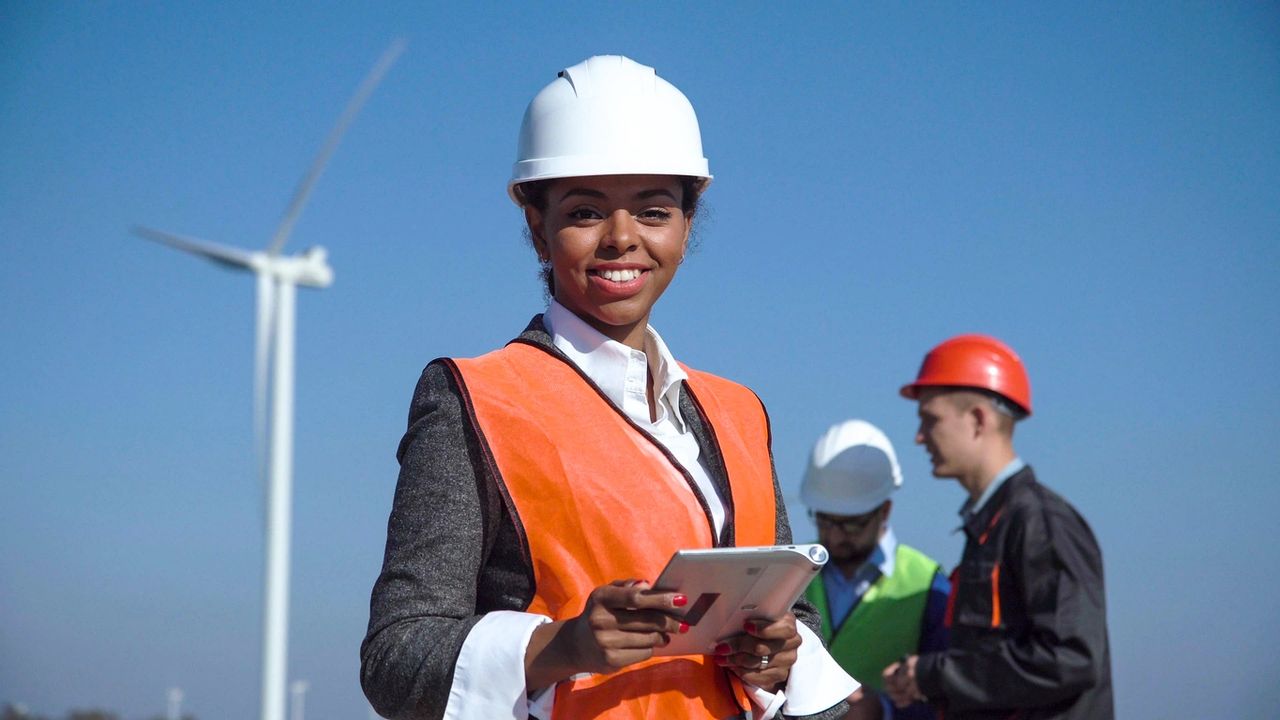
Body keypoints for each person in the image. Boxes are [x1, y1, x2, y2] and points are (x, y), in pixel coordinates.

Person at [360, 55, 857, 720]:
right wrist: (560, 647)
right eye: (586, 211)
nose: (622, 239)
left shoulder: (739, 413)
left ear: (686, 223)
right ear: (537, 225)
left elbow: (790, 617)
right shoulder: (474, 399)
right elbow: (396, 659)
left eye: (653, 211)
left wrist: (776, 653)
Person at [882, 335, 1113, 720]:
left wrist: (933, 674)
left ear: (977, 419)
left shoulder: (1040, 522)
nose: (919, 437)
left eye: (930, 419)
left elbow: (1070, 659)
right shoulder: (998, 523)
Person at [799, 419, 949, 720]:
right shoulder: (792, 571)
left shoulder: (930, 586)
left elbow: (950, 700)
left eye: (852, 524)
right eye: (825, 520)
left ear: (884, 511)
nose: (836, 535)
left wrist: (884, 711)